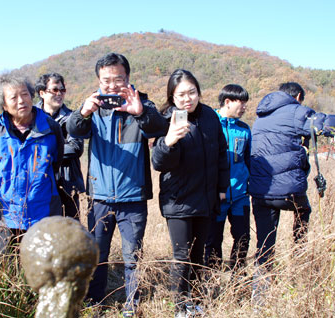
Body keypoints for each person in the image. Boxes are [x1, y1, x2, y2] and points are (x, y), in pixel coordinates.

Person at [66, 53, 167, 317]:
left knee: (132, 255)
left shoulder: (143, 104)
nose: (112, 85)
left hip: (132, 196)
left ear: (128, 78)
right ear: (98, 80)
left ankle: (132, 304)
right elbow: (74, 129)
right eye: (106, 80)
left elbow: (159, 128)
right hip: (99, 197)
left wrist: (141, 113)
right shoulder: (93, 107)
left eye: (118, 79)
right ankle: (94, 301)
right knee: (97, 254)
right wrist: (83, 112)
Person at [249, 82, 335, 304]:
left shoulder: (260, 117)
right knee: (304, 213)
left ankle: (260, 298)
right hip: (288, 189)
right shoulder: (297, 111)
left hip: (260, 192)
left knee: (264, 244)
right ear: (299, 96)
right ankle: (301, 271)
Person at [151, 69, 229, 318]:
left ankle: (195, 303)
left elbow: (221, 155)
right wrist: (169, 141)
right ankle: (178, 306)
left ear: (199, 92)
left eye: (192, 92)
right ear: (172, 97)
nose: (188, 99)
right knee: (181, 255)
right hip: (178, 199)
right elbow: (159, 162)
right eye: (181, 94)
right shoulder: (166, 119)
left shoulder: (210, 117)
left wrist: (221, 189)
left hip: (206, 197)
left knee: (198, 253)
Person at [0, 75, 64, 254]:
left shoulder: (51, 127)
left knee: (43, 268)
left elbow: (56, 162)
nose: (21, 101)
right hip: (6, 215)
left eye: (25, 94)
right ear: (4, 105)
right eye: (13, 97)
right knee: (8, 269)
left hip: (43, 211)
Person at [205, 84, 251, 277]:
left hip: (240, 196)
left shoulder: (244, 129)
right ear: (228, 102)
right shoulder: (209, 123)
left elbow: (248, 160)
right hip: (216, 196)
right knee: (213, 239)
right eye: (241, 103)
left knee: (243, 238)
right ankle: (213, 276)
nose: (244, 108)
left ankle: (238, 276)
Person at [34, 73, 85, 219]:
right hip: (39, 183)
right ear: (42, 93)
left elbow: (75, 148)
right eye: (55, 90)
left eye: (62, 90)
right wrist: (61, 144)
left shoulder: (73, 117)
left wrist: (43, 149)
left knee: (70, 232)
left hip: (67, 184)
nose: (59, 94)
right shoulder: (32, 118)